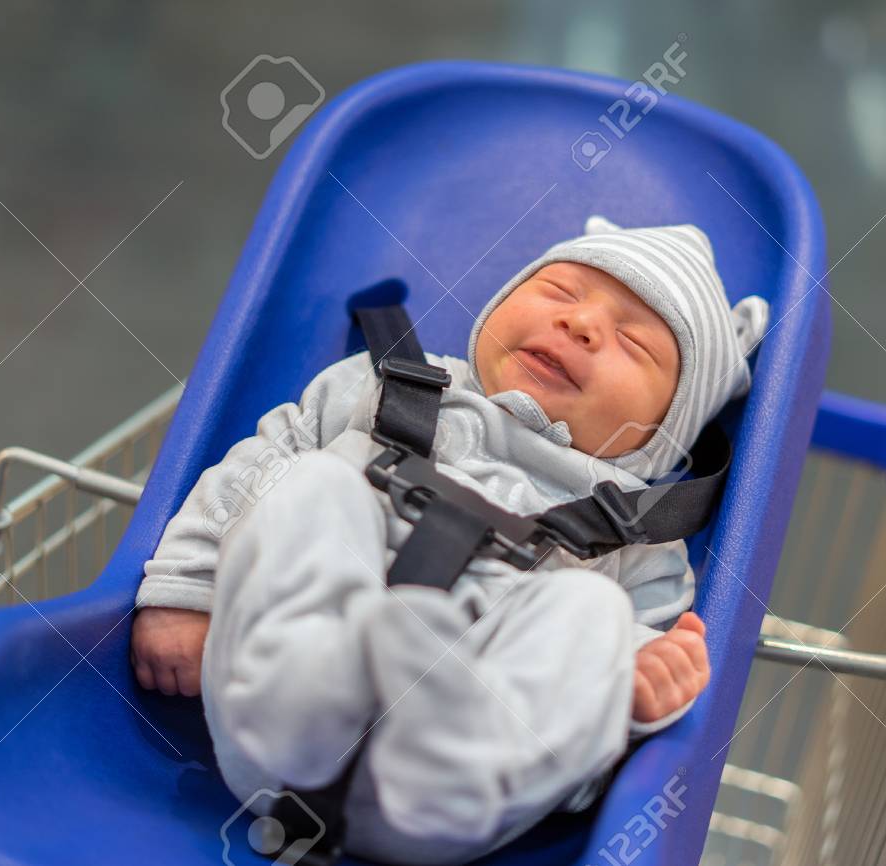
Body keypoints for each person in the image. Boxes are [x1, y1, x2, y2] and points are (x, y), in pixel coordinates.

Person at [130, 215, 769, 864]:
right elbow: (260, 468)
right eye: (560, 293)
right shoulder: (388, 386)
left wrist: (635, 693)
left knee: (595, 614)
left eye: (635, 345)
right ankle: (332, 678)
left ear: (666, 432)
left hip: (450, 790)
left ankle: (439, 738)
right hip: (273, 718)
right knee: (317, 482)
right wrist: (191, 580)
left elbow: (589, 684)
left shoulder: (641, 540)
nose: (581, 325)